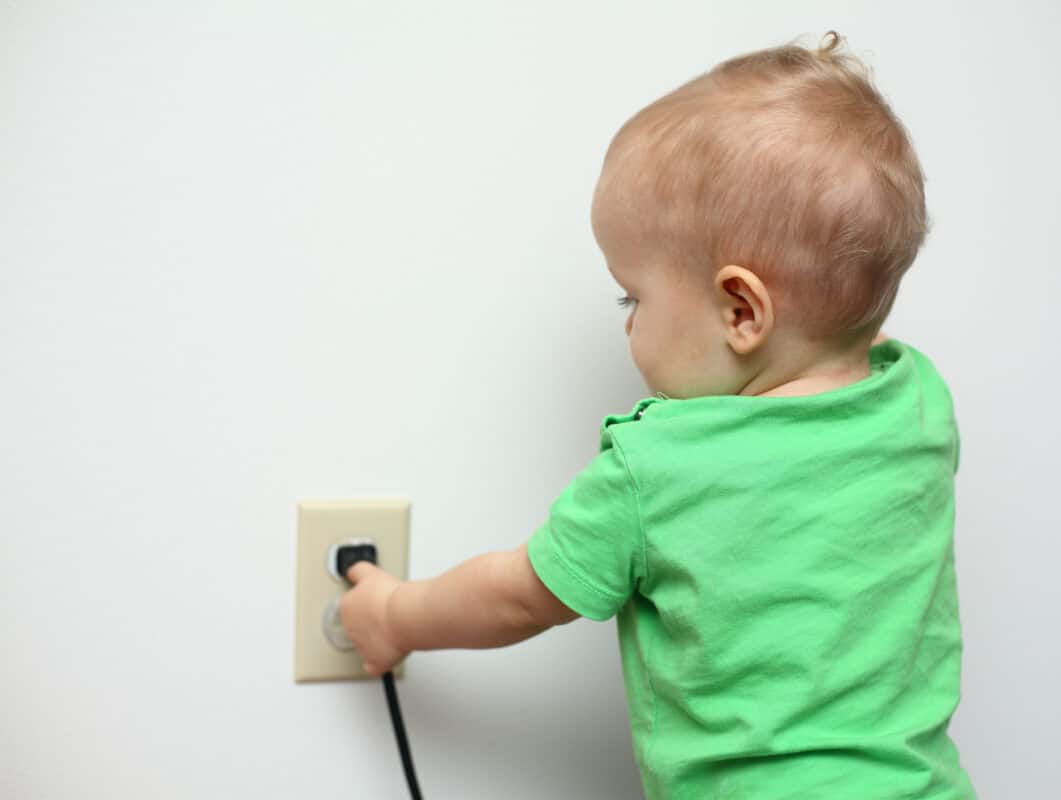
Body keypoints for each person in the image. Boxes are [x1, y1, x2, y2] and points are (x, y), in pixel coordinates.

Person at [339, 30, 976, 798]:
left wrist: (394, 616)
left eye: (632, 296)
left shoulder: (659, 468)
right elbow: (848, 325)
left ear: (742, 310)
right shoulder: (916, 403)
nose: (629, 323)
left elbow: (516, 595)